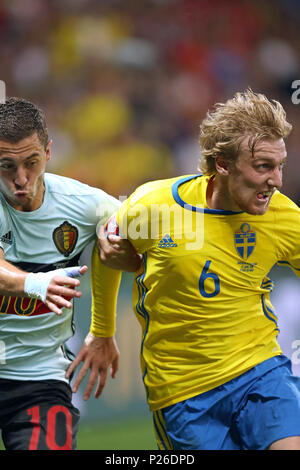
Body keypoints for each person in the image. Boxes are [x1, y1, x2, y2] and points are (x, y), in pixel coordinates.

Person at [75, 89, 300, 450]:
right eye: (263, 167)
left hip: (261, 371)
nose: (277, 180)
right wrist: (102, 331)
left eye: (280, 165)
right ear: (222, 164)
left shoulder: (283, 216)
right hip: (183, 393)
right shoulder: (154, 207)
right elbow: (107, 251)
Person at [0, 96, 138, 451]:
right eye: (7, 166)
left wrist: (103, 331)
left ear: (48, 152)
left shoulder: (85, 204)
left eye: (31, 163)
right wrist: (34, 282)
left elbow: (122, 243)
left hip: (39, 380)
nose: (21, 179)